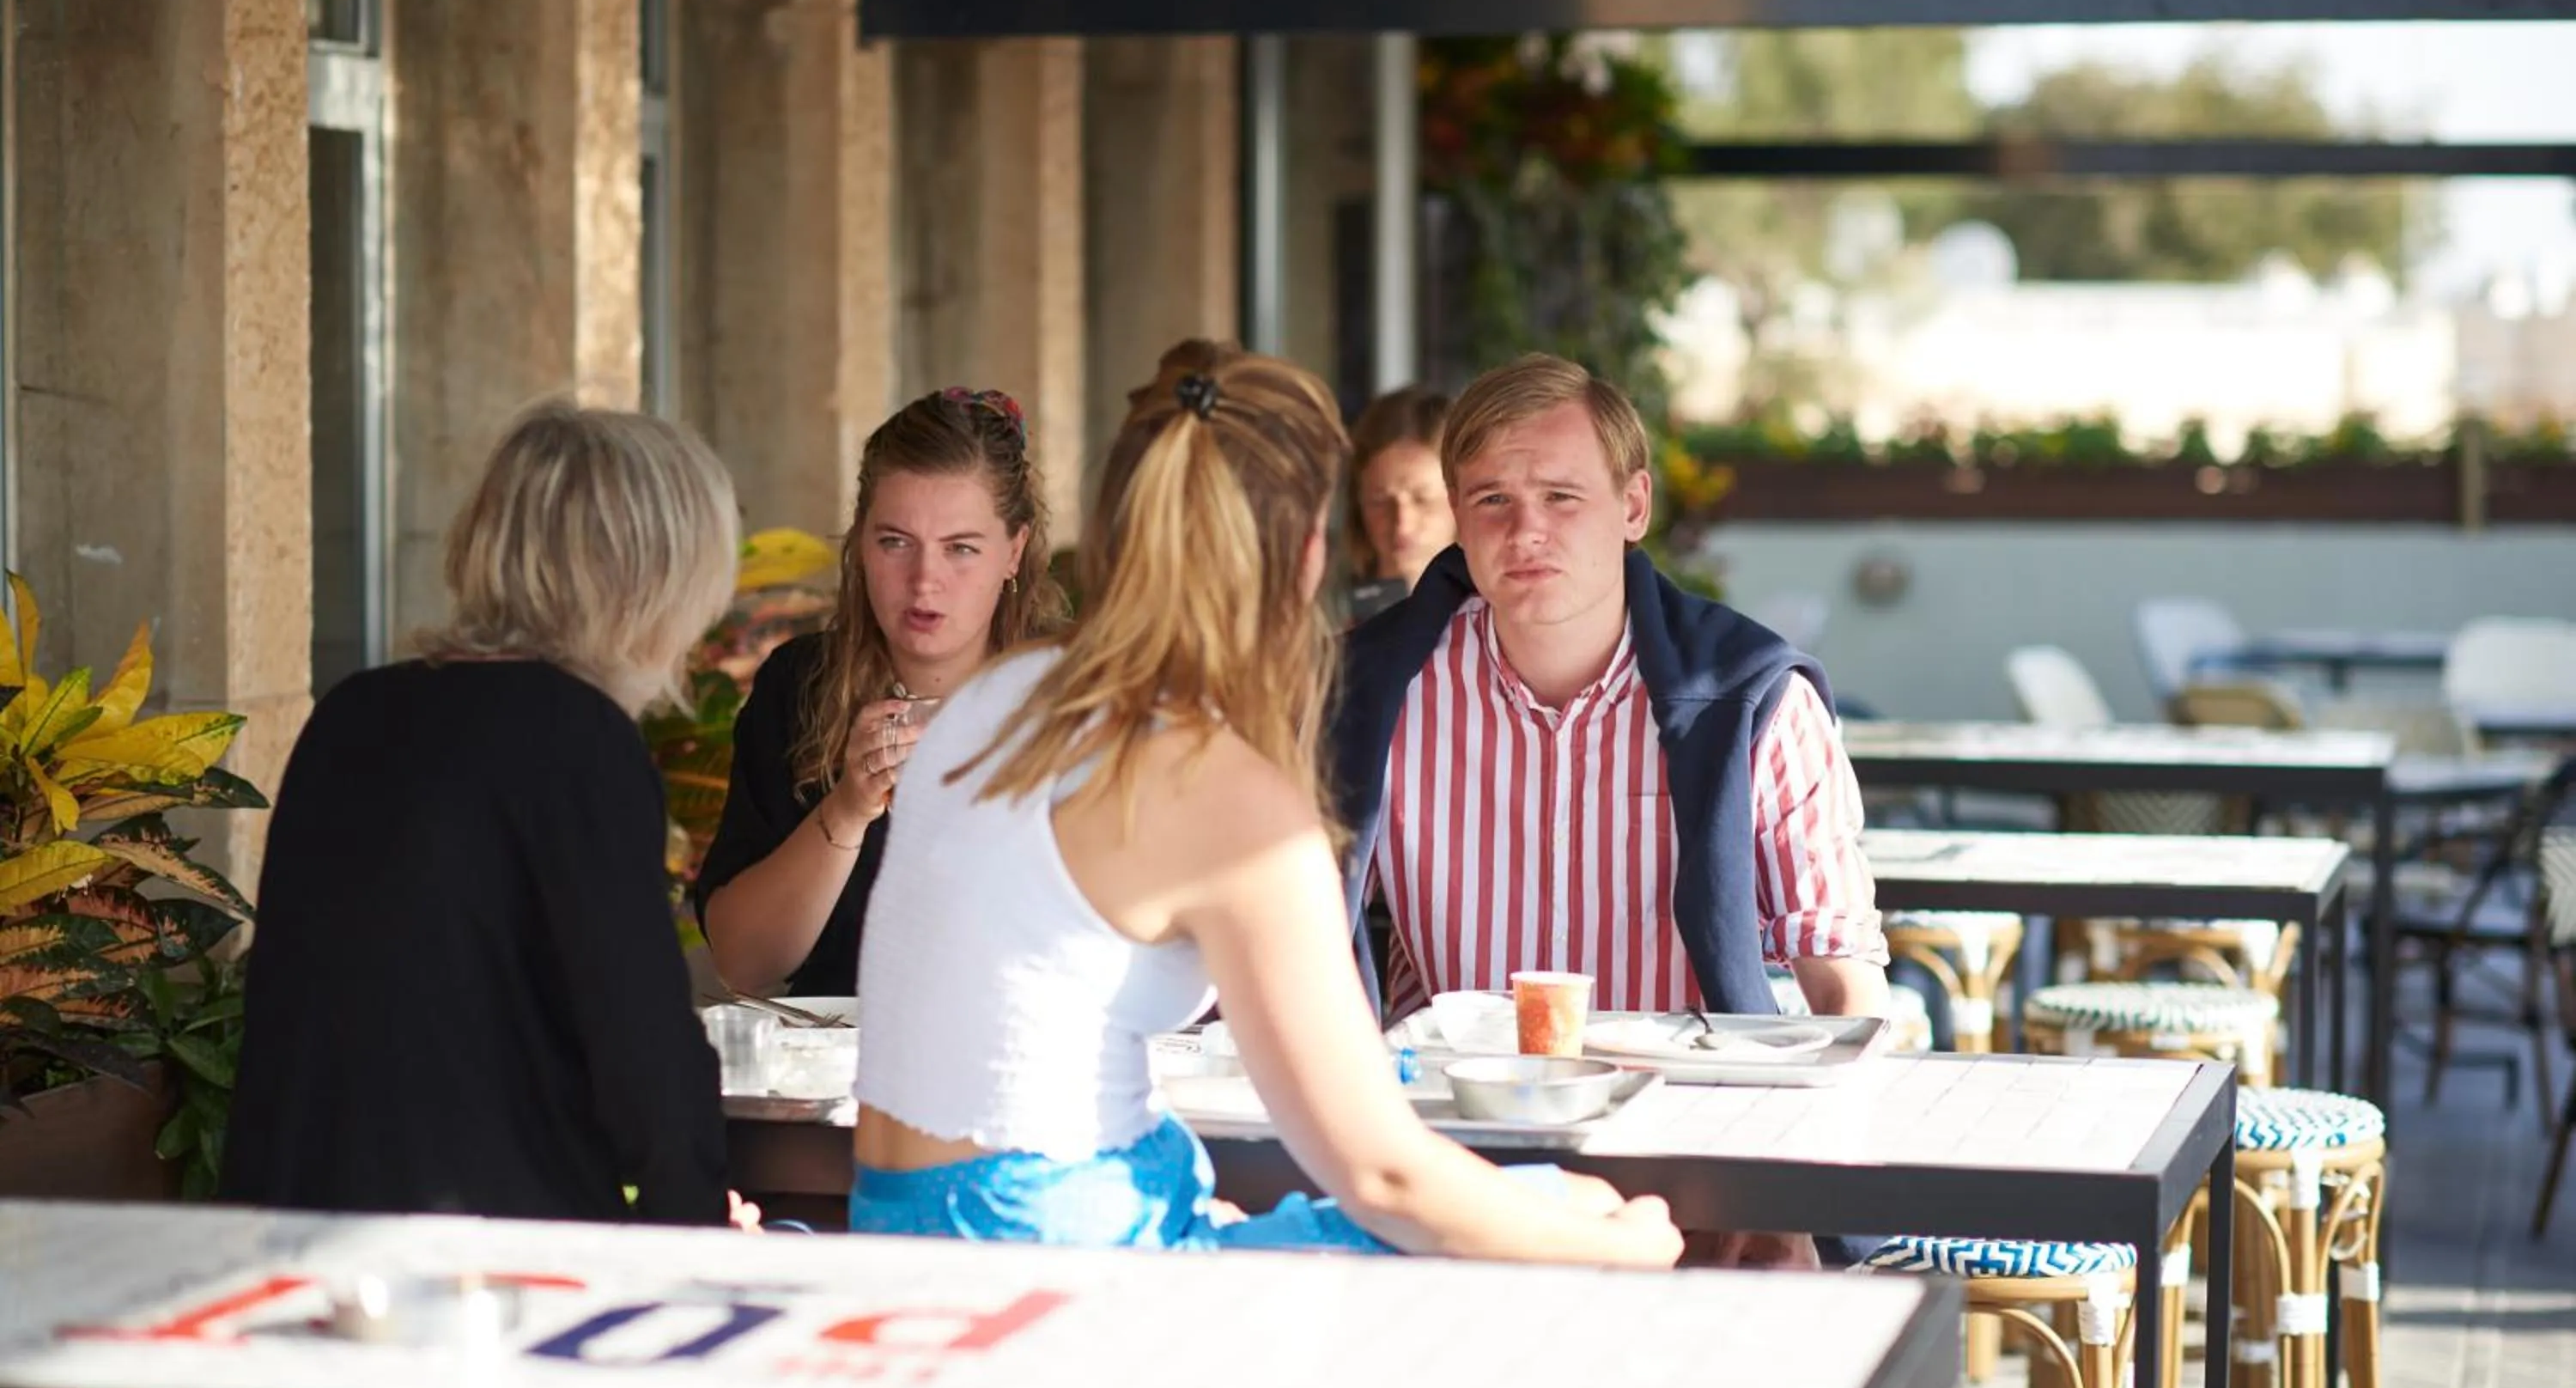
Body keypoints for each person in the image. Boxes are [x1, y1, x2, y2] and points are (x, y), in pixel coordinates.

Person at [844, 340, 1681, 1266]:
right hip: (1066, 1279)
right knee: (1577, 1216)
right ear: (1310, 551)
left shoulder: (997, 698)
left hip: (901, 1230)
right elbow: (1384, 1176)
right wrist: (1630, 1245)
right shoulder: (1225, 794)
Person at [1330, 356, 1891, 1267]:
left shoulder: (1752, 700)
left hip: (1695, 1168)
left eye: (1562, 497)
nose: (1527, 532)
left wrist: (1814, 1197)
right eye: (1493, 502)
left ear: (1633, 507)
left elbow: (1842, 980)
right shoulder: (1365, 694)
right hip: (1448, 1166)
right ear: (1458, 519)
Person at [222, 404, 748, 1227]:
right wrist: (697, 1245)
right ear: (656, 580)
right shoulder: (574, 738)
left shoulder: (355, 711)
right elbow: (642, 1056)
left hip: (292, 1224)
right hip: (479, 1259)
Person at [696, 387, 1063, 997]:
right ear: (860, 543)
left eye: (961, 549)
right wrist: (848, 808)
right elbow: (744, 963)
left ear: (1014, 552)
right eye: (895, 541)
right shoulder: (801, 685)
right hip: (843, 1072)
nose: (925, 581)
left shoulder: (1075, 693)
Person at [1345, 386, 1455, 623]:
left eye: (1422, 499)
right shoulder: (1329, 616)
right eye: (1379, 501)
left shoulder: (1500, 621)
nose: (1402, 524)